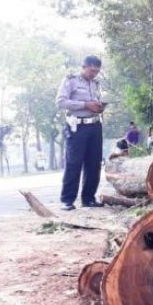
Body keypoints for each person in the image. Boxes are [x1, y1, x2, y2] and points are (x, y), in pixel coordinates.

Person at [55, 55, 106, 210]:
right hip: (77, 127)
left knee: (94, 164)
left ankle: (89, 198)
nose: (94, 74)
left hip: (95, 125)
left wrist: (99, 106)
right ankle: (67, 200)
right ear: (83, 67)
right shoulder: (70, 81)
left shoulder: (96, 84)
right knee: (73, 163)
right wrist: (85, 105)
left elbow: (95, 103)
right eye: (91, 70)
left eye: (97, 71)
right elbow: (60, 102)